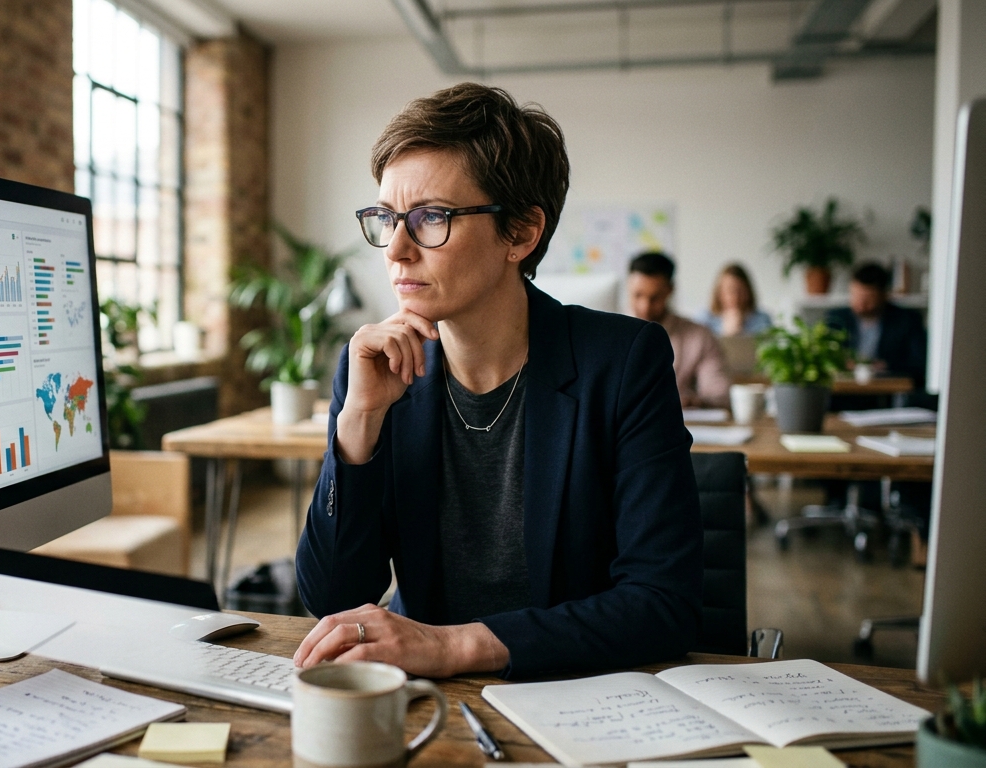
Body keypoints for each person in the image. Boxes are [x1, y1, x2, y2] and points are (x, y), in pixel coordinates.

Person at [293, 83, 701, 681]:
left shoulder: (622, 362)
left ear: (521, 234)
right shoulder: (376, 369)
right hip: (425, 703)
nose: (398, 250)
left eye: (431, 217)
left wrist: (455, 647)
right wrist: (357, 427)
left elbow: (665, 603)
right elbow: (331, 595)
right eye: (387, 218)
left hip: (575, 693)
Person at [626, 252, 731, 408]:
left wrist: (693, 401)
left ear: (670, 290)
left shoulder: (700, 336)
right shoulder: (609, 334)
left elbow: (719, 394)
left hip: (678, 424)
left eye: (655, 298)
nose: (645, 306)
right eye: (637, 295)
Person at [826, 262, 928, 387]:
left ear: (883, 295)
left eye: (867, 299)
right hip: (845, 390)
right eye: (855, 296)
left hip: (887, 391)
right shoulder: (836, 318)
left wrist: (886, 365)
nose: (860, 304)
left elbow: (918, 363)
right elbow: (826, 356)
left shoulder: (907, 320)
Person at [696, 263, 772, 338]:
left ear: (749, 292)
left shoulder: (762, 319)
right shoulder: (704, 319)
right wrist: (728, 333)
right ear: (719, 293)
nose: (736, 297)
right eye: (730, 290)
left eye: (741, 291)